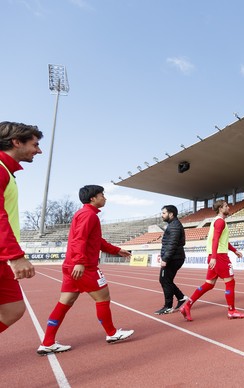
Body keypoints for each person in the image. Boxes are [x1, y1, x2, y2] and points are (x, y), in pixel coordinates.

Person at [37, 185, 134, 355]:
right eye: (102, 195)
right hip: (84, 267)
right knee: (103, 298)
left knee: (64, 303)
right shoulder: (88, 215)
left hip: (72, 266)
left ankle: (47, 342)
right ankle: (112, 333)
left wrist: (116, 250)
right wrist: (80, 262)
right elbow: (79, 239)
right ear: (93, 198)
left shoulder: (86, 214)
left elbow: (96, 241)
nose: (105, 198)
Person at [0, 122, 43, 334]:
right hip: (6, 254)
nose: (39, 150)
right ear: (16, 142)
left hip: (2, 257)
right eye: (35, 144)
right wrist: (15, 256)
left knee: (13, 309)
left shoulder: (7, 170)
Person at [179, 200, 244, 321]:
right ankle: (231, 311)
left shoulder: (216, 221)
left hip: (214, 255)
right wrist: (215, 257)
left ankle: (187, 306)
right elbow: (215, 239)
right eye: (226, 206)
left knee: (208, 284)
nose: (229, 207)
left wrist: (234, 250)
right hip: (219, 257)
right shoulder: (220, 222)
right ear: (221, 208)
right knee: (230, 283)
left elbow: (222, 241)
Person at [155, 205, 189, 315]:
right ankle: (181, 297)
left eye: (164, 213)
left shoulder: (174, 226)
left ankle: (168, 306)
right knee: (165, 280)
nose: (162, 215)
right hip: (175, 257)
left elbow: (172, 244)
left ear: (171, 214)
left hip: (174, 258)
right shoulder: (172, 225)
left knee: (164, 280)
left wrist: (165, 258)